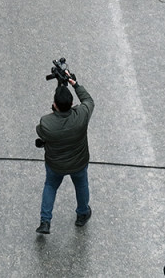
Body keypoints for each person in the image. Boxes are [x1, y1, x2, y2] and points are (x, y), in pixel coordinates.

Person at [35, 70, 93, 235]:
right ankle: (82, 214)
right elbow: (88, 100)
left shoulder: (46, 123)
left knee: (50, 186)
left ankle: (45, 221)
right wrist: (75, 84)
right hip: (79, 162)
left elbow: (40, 131)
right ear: (71, 102)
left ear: (55, 104)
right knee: (81, 186)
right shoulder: (81, 115)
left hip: (55, 165)